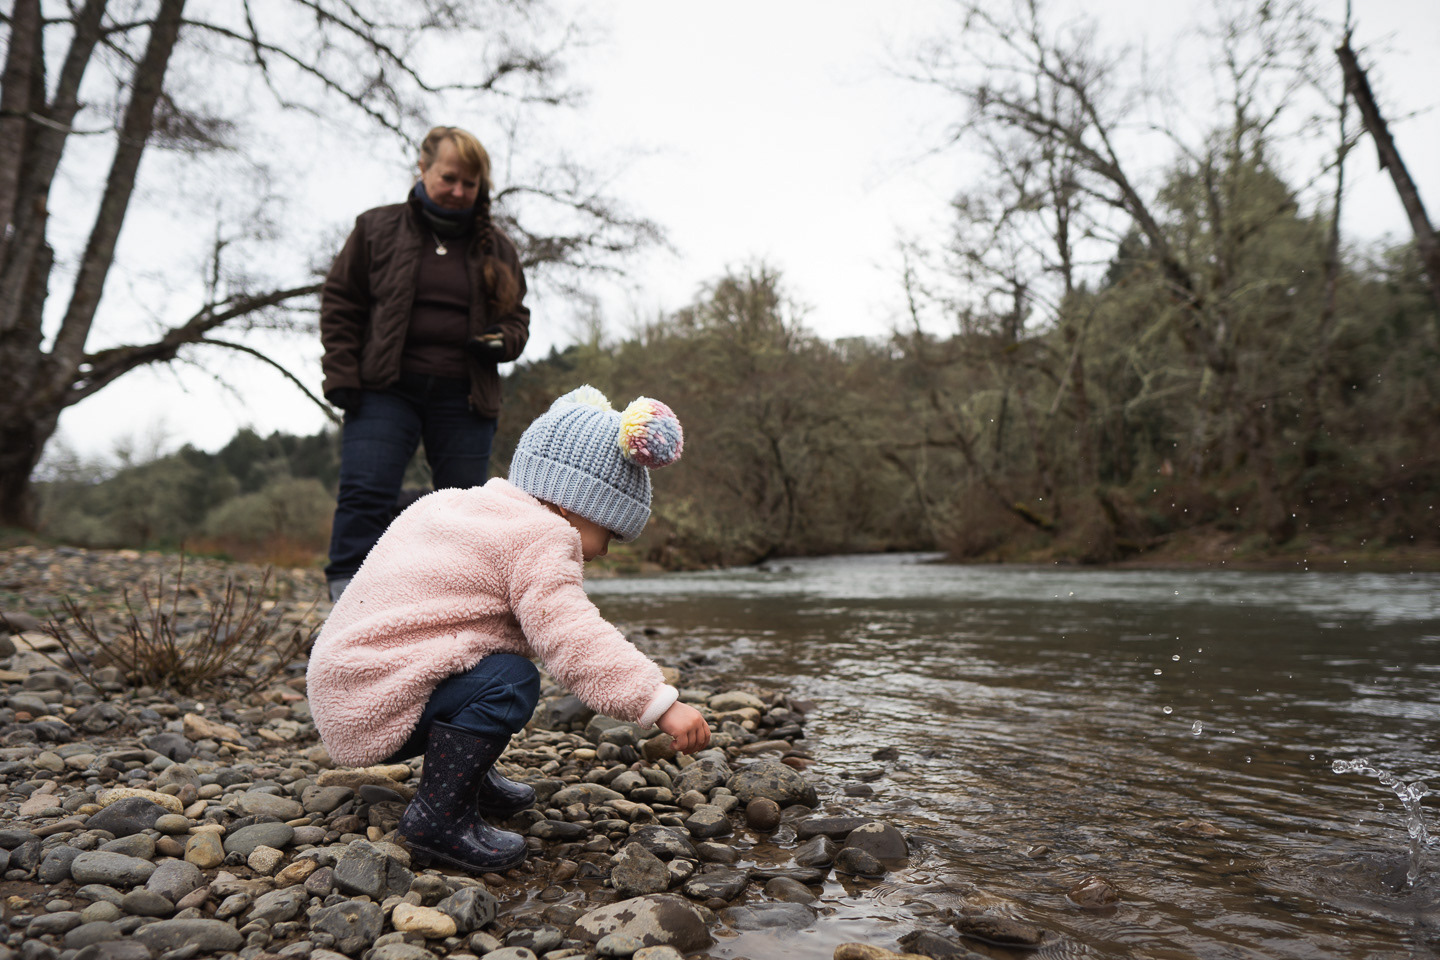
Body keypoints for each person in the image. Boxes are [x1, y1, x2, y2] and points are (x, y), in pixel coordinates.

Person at [305, 386, 711, 874]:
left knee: (482, 651)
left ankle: (467, 777)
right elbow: (572, 635)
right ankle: (437, 818)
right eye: (609, 532)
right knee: (510, 680)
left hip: (345, 685)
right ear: (572, 504)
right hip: (375, 703)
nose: (604, 550)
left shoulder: (456, 504)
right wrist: (657, 703)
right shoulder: (541, 536)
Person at [320, 125, 531, 602]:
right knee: (365, 492)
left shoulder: (498, 247)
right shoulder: (375, 228)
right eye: (448, 178)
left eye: (469, 183)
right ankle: (347, 603)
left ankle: (457, 605)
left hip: (465, 395)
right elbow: (341, 303)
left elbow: (517, 318)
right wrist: (341, 374)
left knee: (464, 509)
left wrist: (502, 340)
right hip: (383, 389)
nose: (458, 191)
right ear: (423, 168)